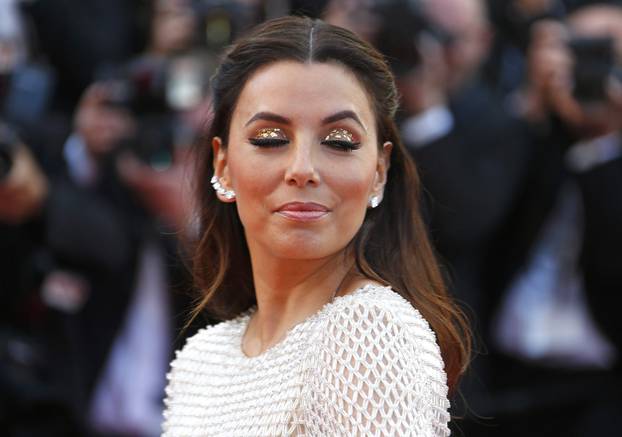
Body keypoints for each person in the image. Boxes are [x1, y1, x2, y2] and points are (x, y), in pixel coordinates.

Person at [162, 15, 470, 436]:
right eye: (270, 138)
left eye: (339, 141)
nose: (302, 169)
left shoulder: (366, 334)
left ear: (379, 172)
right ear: (223, 164)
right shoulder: (202, 360)